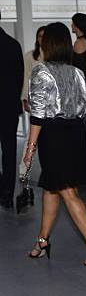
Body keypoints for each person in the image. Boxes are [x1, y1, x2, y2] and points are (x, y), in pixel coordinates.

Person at [23, 22, 86, 267]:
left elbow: (37, 114)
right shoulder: (77, 72)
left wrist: (29, 149)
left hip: (54, 136)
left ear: (47, 44)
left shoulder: (41, 71)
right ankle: (42, 240)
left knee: (67, 192)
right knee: (52, 189)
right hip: (77, 134)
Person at [0, 15, 24, 208]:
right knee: (9, 151)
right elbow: (19, 77)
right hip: (8, 107)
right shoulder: (13, 45)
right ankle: (7, 193)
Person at [19, 26, 46, 179]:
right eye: (40, 35)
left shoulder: (52, 55)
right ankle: (24, 170)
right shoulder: (30, 56)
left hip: (52, 104)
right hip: (35, 102)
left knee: (49, 139)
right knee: (31, 138)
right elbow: (26, 79)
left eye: (45, 36)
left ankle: (50, 168)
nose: (42, 38)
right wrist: (25, 99)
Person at [71, 13, 86, 81]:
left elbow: (78, 67)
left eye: (73, 23)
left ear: (77, 25)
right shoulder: (84, 40)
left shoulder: (80, 42)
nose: (71, 25)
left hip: (81, 82)